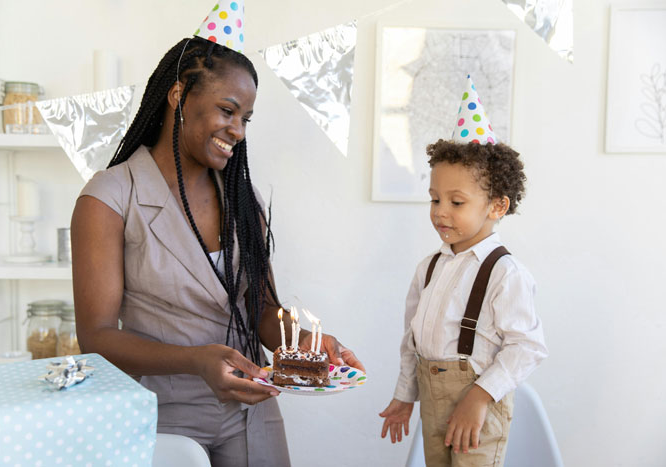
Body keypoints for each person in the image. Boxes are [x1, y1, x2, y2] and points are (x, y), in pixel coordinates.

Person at [70, 26, 363, 467]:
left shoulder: (244, 203)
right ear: (178, 94)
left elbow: (263, 310)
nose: (238, 130)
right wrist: (197, 361)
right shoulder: (109, 199)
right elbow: (97, 337)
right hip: (163, 417)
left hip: (252, 409)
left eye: (245, 118)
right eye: (228, 110)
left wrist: (304, 342)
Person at [378, 77, 547, 466]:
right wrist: (406, 395)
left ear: (497, 207)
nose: (440, 211)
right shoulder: (430, 267)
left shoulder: (506, 273)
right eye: (435, 199)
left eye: (456, 201)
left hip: (479, 406)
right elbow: (413, 339)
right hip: (432, 397)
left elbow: (528, 346)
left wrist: (480, 395)